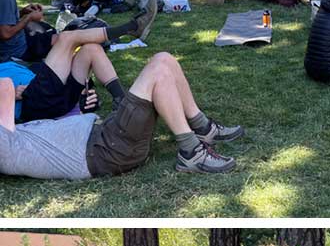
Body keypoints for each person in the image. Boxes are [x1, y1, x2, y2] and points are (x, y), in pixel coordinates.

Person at [0, 39, 243, 179]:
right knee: (157, 71)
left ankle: (202, 127)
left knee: (164, 58)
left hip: (105, 137)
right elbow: (5, 86)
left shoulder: (12, 140)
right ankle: (192, 152)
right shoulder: (4, 148)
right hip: (107, 150)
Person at [0, 0, 155, 64]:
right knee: (71, 36)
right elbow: (5, 33)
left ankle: (130, 29)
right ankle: (131, 28)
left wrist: (22, 13)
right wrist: (28, 18)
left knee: (65, 35)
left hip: (21, 41)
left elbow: (4, 20)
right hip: (18, 51)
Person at [0, 22, 129, 123]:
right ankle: (129, 28)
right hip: (33, 102)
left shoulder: (11, 63)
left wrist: (83, 94)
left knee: (92, 49)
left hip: (52, 95)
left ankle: (124, 104)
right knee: (66, 37)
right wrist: (8, 94)